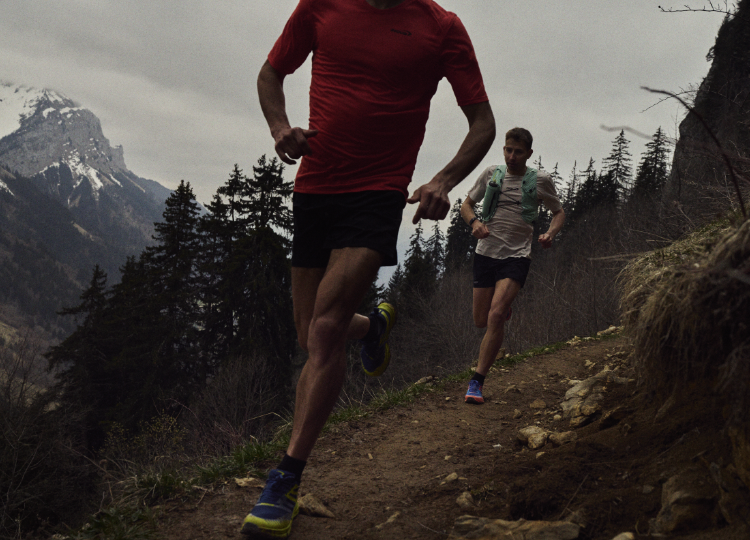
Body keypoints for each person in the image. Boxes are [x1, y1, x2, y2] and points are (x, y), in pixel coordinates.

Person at [243, 0, 496, 537]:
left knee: (326, 330)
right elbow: (271, 72)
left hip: (380, 192)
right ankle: (375, 325)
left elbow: (483, 123)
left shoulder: (442, 28)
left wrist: (442, 181)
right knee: (310, 333)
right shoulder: (320, 7)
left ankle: (286, 477)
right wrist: (279, 125)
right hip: (315, 187)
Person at [460, 127, 565, 405]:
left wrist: (550, 234)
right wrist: (475, 223)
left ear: (529, 153)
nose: (512, 156)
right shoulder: (492, 174)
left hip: (517, 255)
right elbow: (466, 205)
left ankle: (476, 382)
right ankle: (500, 310)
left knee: (494, 316)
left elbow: (559, 212)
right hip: (486, 253)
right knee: (480, 320)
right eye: (508, 150)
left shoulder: (540, 180)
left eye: (518, 152)